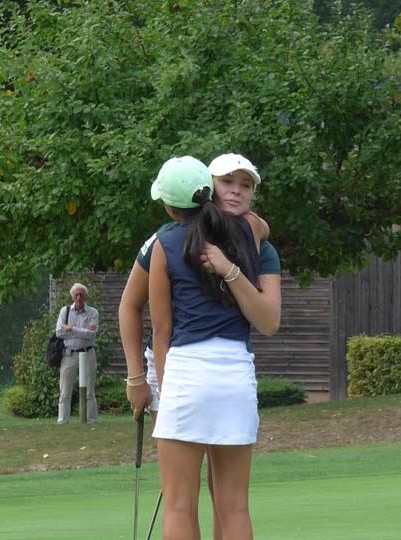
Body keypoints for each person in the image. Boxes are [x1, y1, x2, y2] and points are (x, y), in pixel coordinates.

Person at [121, 153, 277, 539]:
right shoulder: (247, 232)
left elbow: (161, 328)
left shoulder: (163, 242)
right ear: (209, 190)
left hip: (186, 371)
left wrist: (160, 385)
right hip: (235, 372)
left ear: (170, 205)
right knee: (235, 506)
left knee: (178, 505)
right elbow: (260, 226)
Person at [56, 282, 99, 424]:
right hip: (69, 354)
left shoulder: (93, 312)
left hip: (88, 353)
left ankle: (90, 420)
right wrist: (81, 331)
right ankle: (63, 420)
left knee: (89, 389)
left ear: (86, 296)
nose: (79, 297)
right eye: (76, 294)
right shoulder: (65, 311)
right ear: (72, 296)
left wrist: (72, 329)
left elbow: (91, 334)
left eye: (82, 294)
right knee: (65, 390)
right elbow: (59, 332)